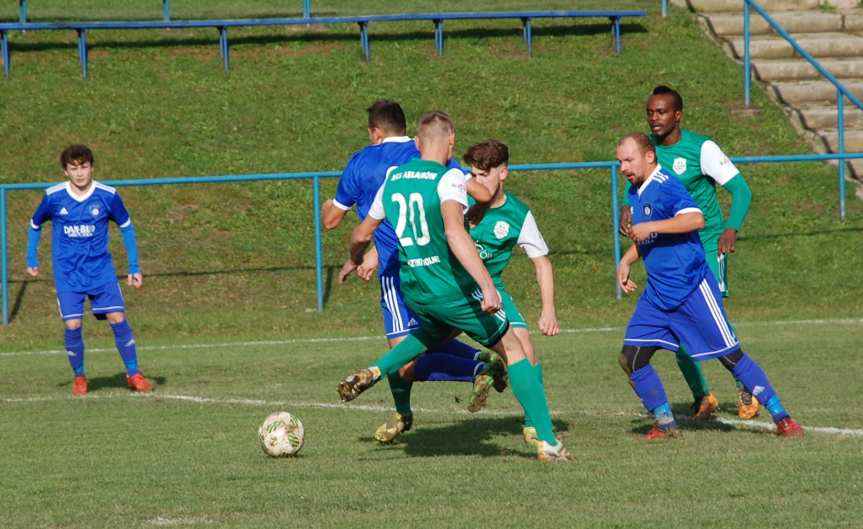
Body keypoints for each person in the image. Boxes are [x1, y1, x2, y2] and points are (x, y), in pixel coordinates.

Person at [338, 111, 571, 462]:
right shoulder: (448, 178)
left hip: (413, 288)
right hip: (449, 286)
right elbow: (453, 231)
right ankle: (548, 443)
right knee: (514, 350)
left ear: (417, 143)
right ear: (451, 143)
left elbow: (360, 233)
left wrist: (356, 257)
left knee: (432, 333)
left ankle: (376, 369)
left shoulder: (394, 178)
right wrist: (486, 286)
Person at [323, 100, 501, 444]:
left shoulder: (362, 162)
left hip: (398, 269)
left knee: (402, 358)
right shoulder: (427, 155)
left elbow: (334, 222)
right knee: (416, 342)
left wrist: (354, 244)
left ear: (375, 132)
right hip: (438, 266)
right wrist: (474, 211)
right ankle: (475, 364)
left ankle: (470, 371)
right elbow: (479, 191)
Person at [614, 133, 801, 439]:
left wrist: (650, 226)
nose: (622, 167)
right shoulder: (636, 191)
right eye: (619, 161)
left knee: (730, 356)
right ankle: (665, 422)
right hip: (658, 296)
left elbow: (695, 219)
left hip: (691, 288)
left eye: (628, 160)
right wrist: (627, 259)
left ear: (649, 156)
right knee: (631, 358)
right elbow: (651, 235)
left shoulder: (666, 184)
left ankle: (782, 417)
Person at [379, 139, 559, 445]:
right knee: (408, 355)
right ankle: (401, 412)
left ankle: (533, 425)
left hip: (490, 294)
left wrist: (548, 309)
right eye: (472, 175)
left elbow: (542, 263)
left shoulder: (518, 215)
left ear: (503, 173)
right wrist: (373, 256)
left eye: (483, 176)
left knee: (525, 347)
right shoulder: (456, 200)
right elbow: (421, 233)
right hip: (449, 290)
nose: (475, 183)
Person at [620, 85, 758, 420]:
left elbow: (741, 190)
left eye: (662, 112)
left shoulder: (701, 148)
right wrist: (627, 207)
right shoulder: (646, 152)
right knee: (677, 328)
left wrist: (731, 227)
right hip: (670, 255)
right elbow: (640, 189)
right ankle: (703, 396)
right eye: (651, 112)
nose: (655, 118)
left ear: (678, 115)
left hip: (706, 245)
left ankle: (747, 389)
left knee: (715, 324)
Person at [26, 145, 152, 396]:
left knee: (118, 318)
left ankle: (134, 374)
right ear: (65, 171)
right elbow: (34, 224)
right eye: (74, 168)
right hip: (68, 273)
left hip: (100, 271)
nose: (80, 173)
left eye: (83, 167)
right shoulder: (54, 197)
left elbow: (126, 227)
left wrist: (134, 266)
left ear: (92, 167)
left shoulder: (108, 195)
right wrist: (32, 258)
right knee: (72, 325)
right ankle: (80, 377)